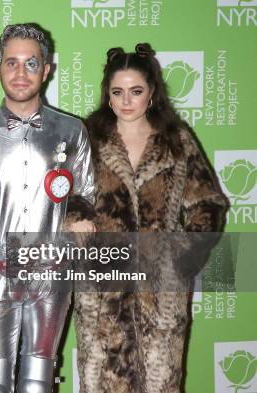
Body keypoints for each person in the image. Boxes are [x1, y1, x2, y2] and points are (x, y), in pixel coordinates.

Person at [74, 43, 228, 393]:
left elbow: (209, 204)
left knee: (160, 383)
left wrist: (180, 256)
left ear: (152, 94)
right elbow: (65, 197)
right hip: (101, 293)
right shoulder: (87, 141)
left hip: (159, 296)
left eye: (136, 91)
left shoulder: (176, 141)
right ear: (108, 97)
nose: (127, 100)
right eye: (118, 92)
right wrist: (76, 224)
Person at [0, 23, 96, 393]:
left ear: (46, 70)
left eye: (31, 64)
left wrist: (79, 228)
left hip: (53, 273)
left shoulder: (71, 131)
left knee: (38, 379)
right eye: (11, 63)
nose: (20, 73)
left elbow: (85, 194)